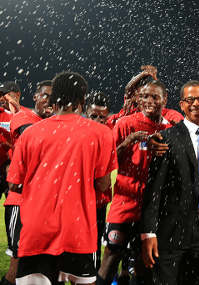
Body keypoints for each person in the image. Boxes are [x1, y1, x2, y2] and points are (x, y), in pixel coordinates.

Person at [7, 71, 117, 284]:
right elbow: (103, 183)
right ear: (83, 100)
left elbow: (14, 182)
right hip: (78, 229)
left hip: (37, 229)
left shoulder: (31, 133)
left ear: (53, 97)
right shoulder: (101, 133)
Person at [141, 80, 199, 284]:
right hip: (171, 232)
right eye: (190, 99)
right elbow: (154, 190)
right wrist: (148, 233)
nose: (196, 103)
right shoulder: (166, 138)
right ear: (182, 105)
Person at [98, 80, 172, 284]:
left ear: (164, 99)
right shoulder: (125, 124)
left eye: (155, 97)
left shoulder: (170, 128)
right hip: (125, 204)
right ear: (138, 100)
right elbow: (108, 161)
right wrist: (128, 141)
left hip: (154, 209)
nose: (149, 101)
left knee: (143, 265)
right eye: (145, 97)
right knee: (111, 259)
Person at [1, 80, 53, 285]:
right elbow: (32, 138)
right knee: (19, 260)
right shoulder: (24, 117)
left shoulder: (54, 123)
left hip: (44, 202)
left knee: (39, 263)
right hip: (21, 201)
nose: (49, 101)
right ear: (35, 97)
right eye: (45, 95)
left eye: (54, 97)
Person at [85, 91, 113, 271]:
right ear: (85, 112)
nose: (98, 121)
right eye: (93, 116)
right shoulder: (81, 134)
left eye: (102, 118)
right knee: (89, 250)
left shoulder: (108, 133)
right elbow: (103, 183)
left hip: (97, 203)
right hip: (85, 203)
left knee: (91, 247)